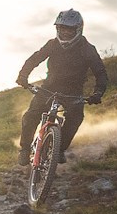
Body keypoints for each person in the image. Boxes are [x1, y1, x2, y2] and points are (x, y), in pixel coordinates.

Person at [15, 9, 106, 158]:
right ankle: (25, 149)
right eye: (61, 29)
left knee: (76, 118)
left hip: (73, 92)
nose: (64, 33)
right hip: (49, 88)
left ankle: (59, 150)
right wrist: (23, 76)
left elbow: (100, 72)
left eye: (69, 30)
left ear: (78, 30)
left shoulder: (87, 49)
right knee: (31, 115)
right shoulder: (52, 44)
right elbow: (35, 59)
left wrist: (98, 93)